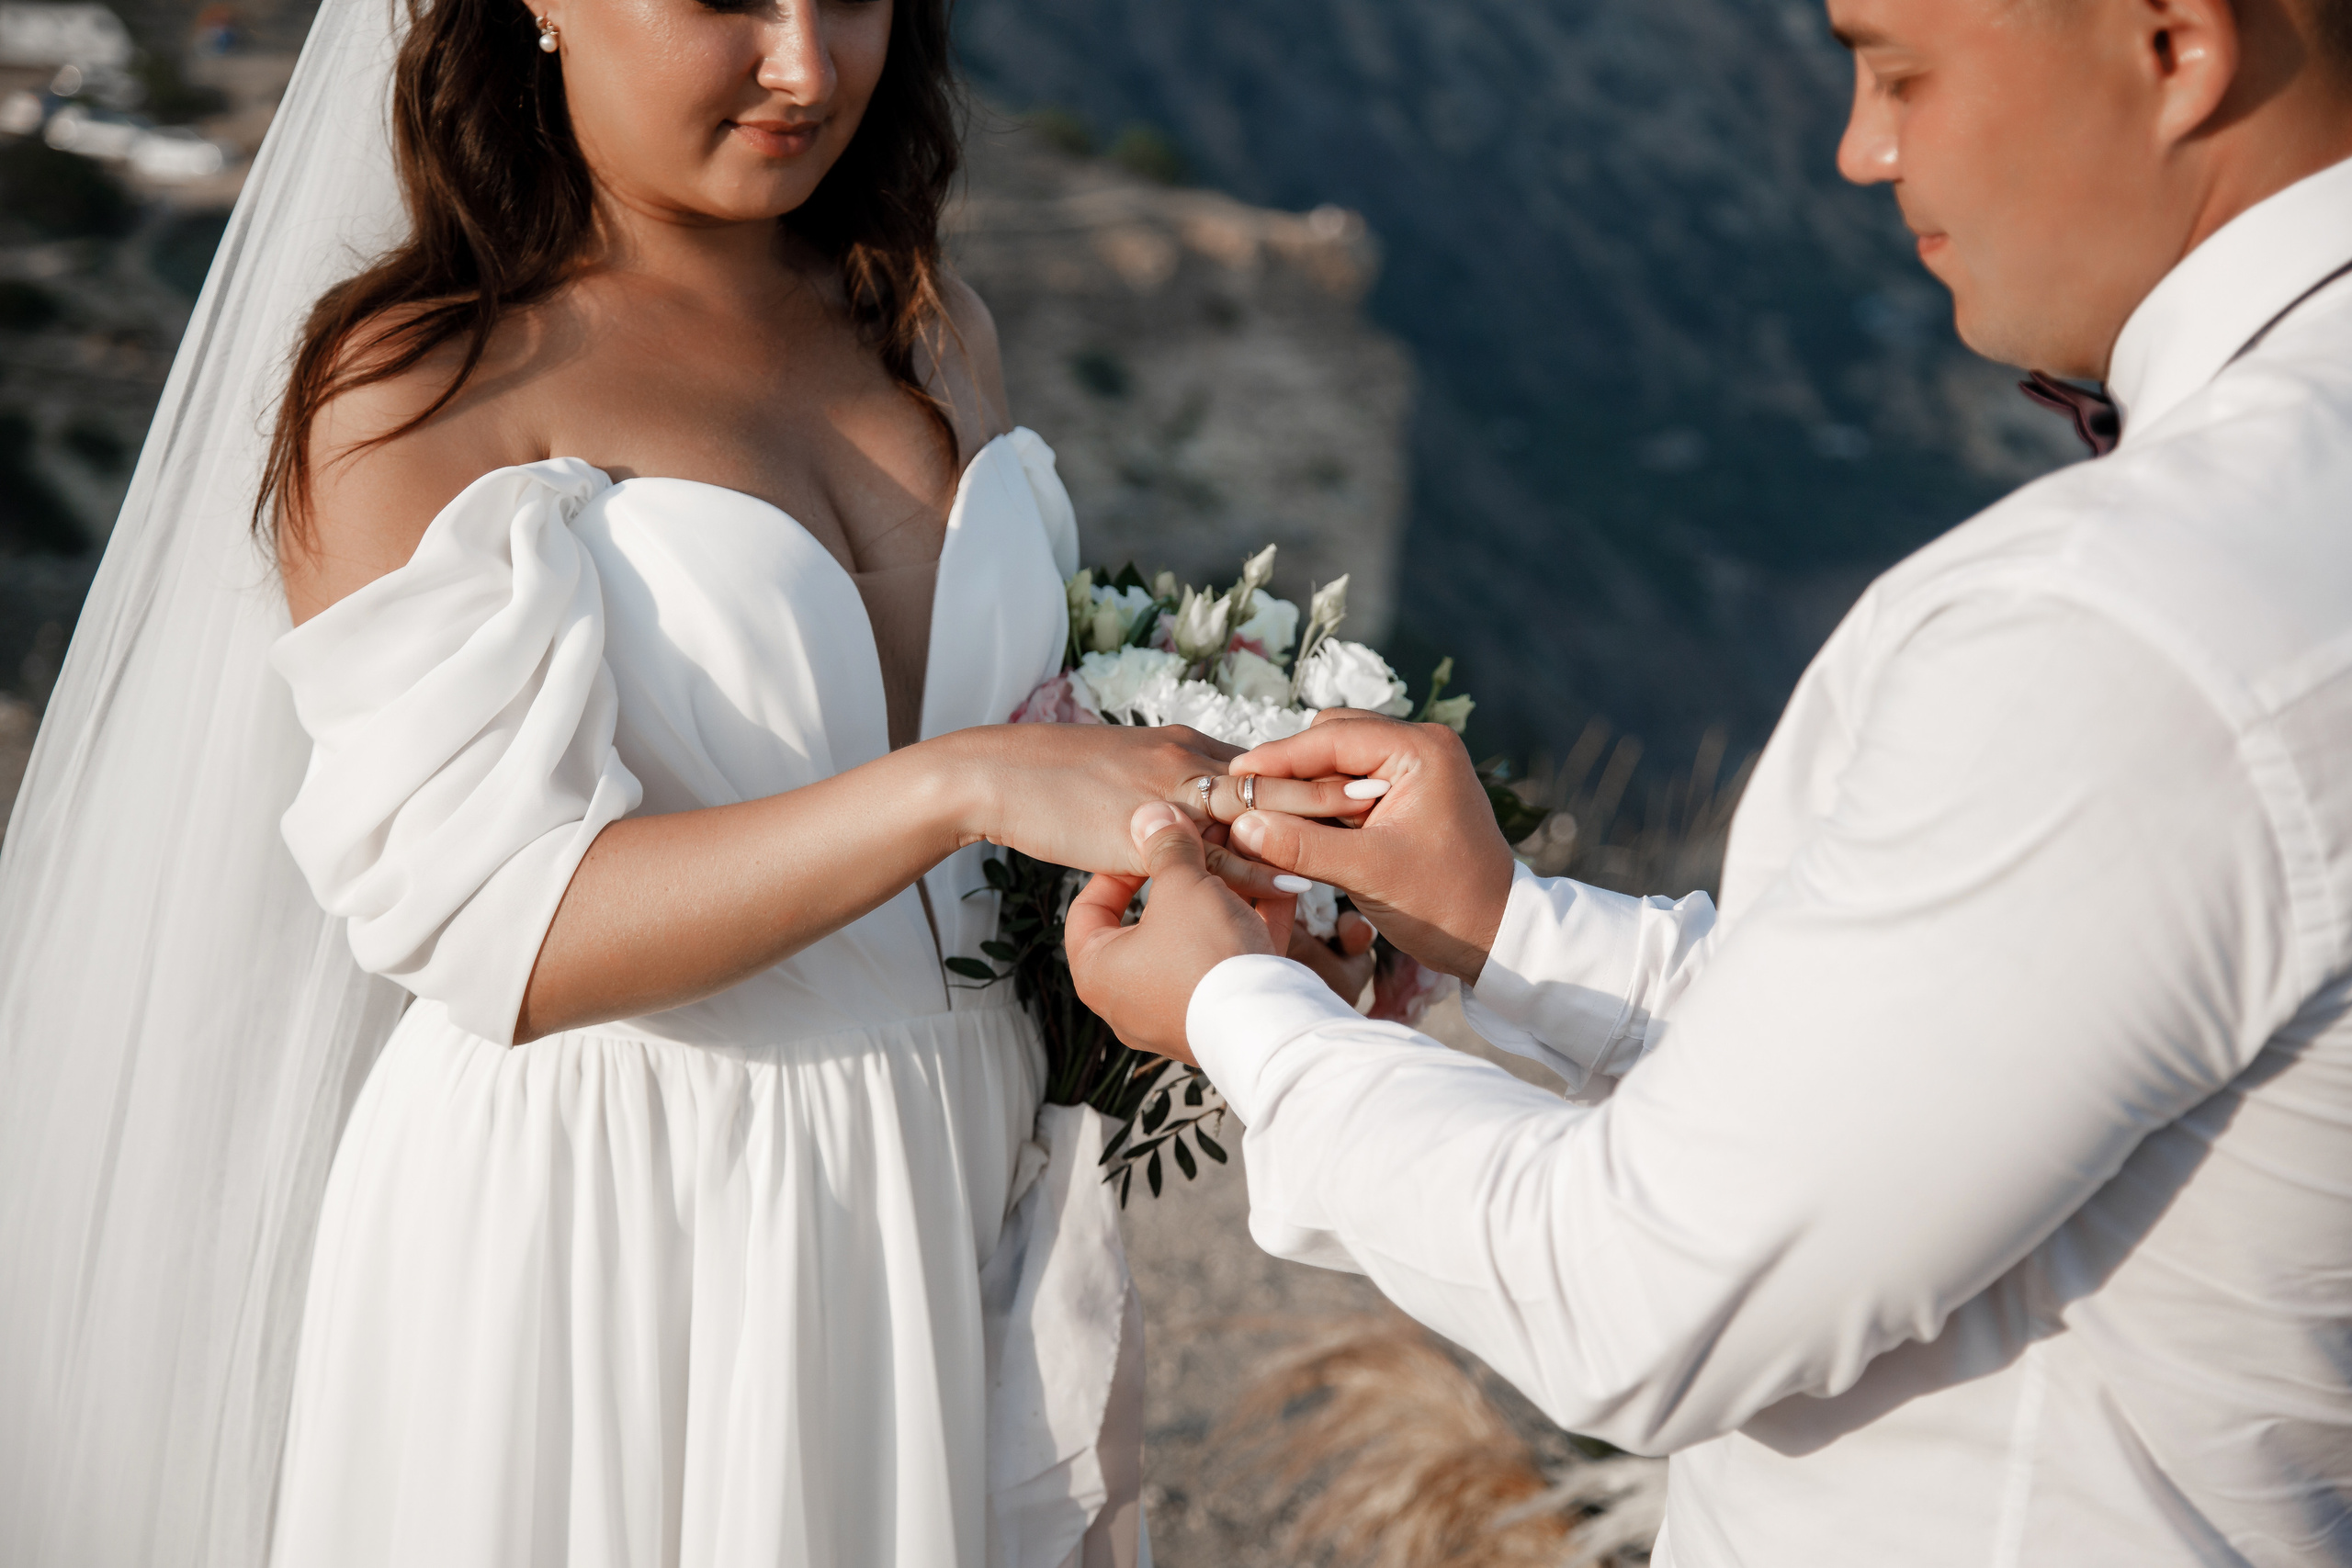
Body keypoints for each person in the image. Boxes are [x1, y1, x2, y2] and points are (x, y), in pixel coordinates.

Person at [0, 0, 1362, 1562]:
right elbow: (507, 936)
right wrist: (961, 784)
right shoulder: (423, 390)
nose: (806, 66)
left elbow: (993, 857)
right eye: (724, 1)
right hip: (615, 1223)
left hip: (948, 1177)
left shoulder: (931, 324)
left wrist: (1215, 883)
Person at [1069, 0, 2352, 1562]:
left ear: (2173, 42)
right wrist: (1507, 926)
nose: (1862, 149)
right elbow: (1958, 1044)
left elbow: (1635, 1287)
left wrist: (1236, 1016)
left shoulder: (2134, 618)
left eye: (1898, 68)